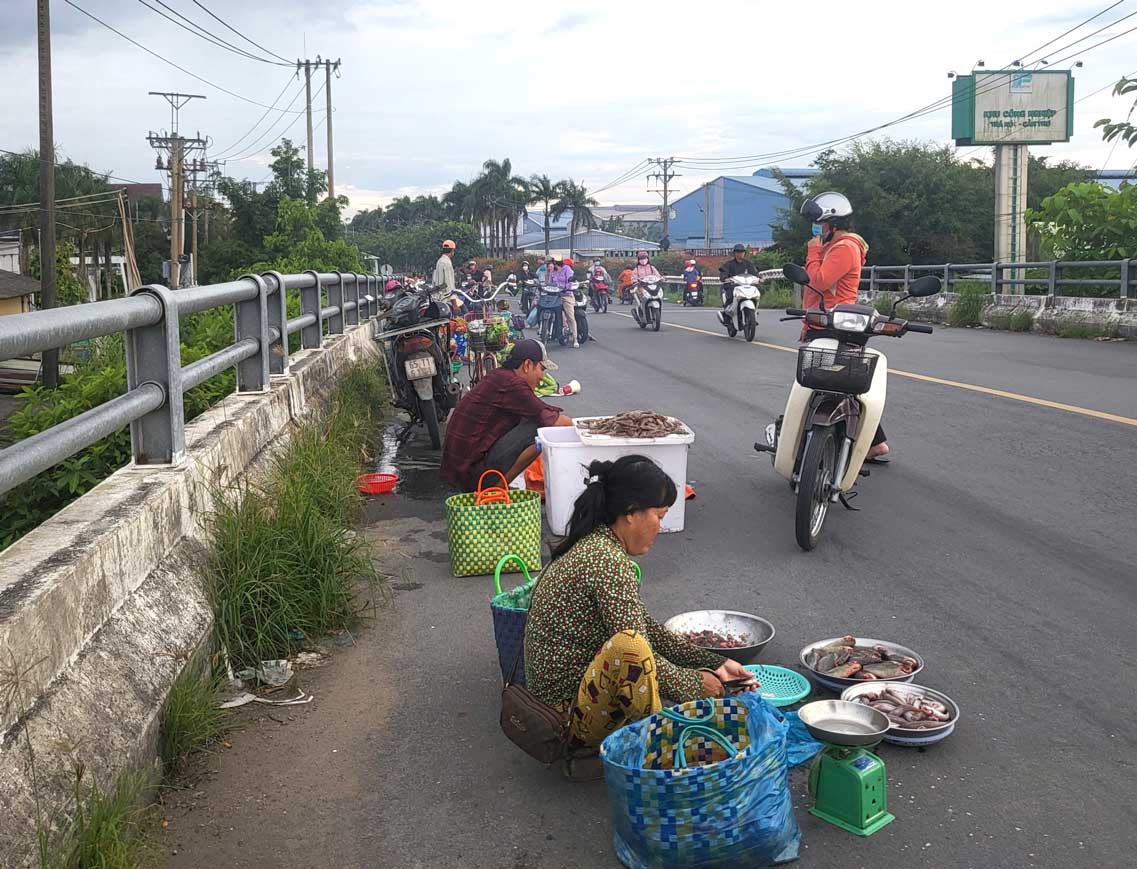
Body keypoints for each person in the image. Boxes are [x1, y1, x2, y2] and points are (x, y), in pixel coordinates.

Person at [524, 455, 757, 781]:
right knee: (631, 649)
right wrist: (695, 685)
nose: (660, 528)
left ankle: (607, 749)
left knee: (638, 643)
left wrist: (714, 664)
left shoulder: (598, 546)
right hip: (564, 716)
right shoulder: (605, 560)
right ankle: (637, 756)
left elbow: (651, 631)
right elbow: (637, 651)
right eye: (659, 516)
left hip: (561, 700)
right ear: (632, 513)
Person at [799, 191, 886, 461]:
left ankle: (868, 443)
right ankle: (874, 443)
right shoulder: (835, 246)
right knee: (835, 384)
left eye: (820, 224)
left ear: (832, 224)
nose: (817, 230)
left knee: (833, 383)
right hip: (825, 320)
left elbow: (819, 281)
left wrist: (813, 251)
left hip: (837, 324)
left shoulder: (845, 247)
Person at [441, 339, 572, 490]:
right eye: (542, 369)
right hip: (470, 474)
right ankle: (495, 491)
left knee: (535, 421)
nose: (542, 376)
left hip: (459, 472)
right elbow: (558, 422)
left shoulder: (499, 375)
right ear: (528, 365)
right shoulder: (513, 384)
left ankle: (496, 486)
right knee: (542, 430)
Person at [717, 243, 760, 311]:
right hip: (733, 286)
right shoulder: (729, 264)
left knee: (755, 292)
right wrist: (725, 278)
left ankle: (754, 311)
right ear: (734, 253)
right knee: (730, 293)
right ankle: (727, 312)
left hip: (747, 286)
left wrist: (759, 278)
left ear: (744, 253)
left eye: (742, 251)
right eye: (738, 251)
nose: (740, 253)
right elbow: (723, 273)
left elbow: (755, 273)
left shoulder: (748, 264)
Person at [548, 255, 579, 348]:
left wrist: (567, 287)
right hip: (555, 296)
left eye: (553, 264)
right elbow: (550, 283)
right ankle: (547, 332)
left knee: (570, 316)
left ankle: (575, 338)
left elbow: (571, 281)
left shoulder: (567, 269)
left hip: (566, 295)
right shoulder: (552, 272)